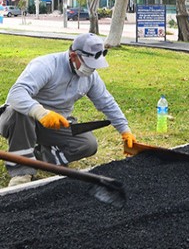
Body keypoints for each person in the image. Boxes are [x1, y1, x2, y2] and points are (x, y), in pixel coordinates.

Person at [0, 33, 136, 187]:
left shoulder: (90, 76)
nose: (91, 69)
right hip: (20, 120)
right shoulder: (46, 65)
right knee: (20, 112)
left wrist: (125, 130)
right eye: (88, 64)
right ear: (73, 56)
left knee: (88, 144)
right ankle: (21, 171)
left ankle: (34, 158)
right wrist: (40, 112)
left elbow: (107, 103)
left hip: (55, 124)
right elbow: (16, 94)